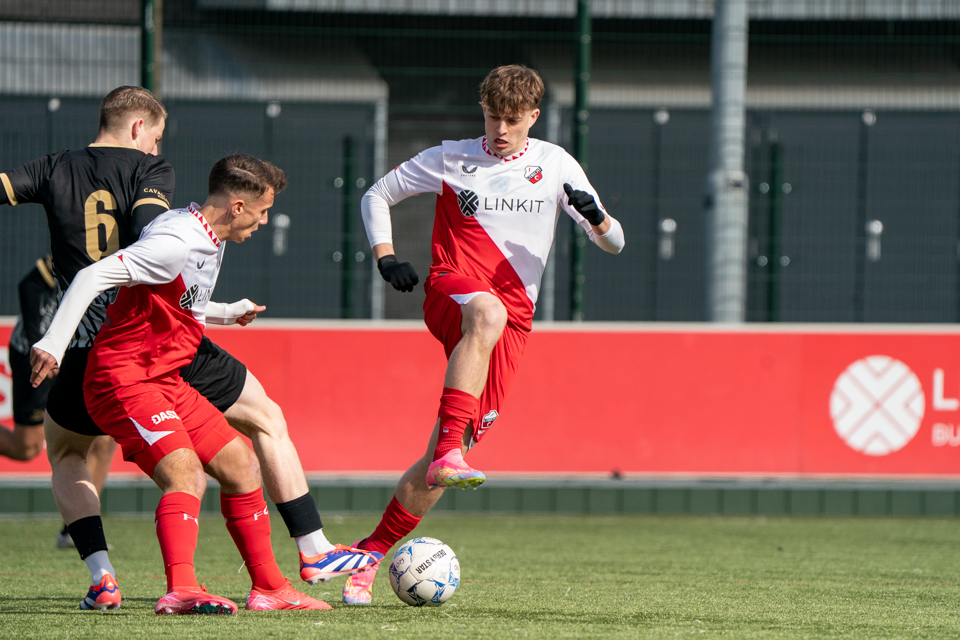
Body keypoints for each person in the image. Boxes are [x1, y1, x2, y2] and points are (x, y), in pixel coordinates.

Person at [1, 86, 376, 610]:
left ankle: (270, 589)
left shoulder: (207, 237)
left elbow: (179, 308)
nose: (265, 224)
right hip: (123, 376)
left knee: (242, 463)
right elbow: (91, 275)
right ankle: (181, 588)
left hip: (165, 376)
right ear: (239, 204)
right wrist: (54, 343)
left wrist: (226, 312)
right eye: (263, 213)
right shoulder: (175, 239)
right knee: (185, 472)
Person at [342, 64, 625, 604]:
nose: (500, 129)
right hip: (454, 289)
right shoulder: (452, 155)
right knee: (486, 316)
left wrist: (599, 221)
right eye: (493, 117)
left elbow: (615, 244)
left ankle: (368, 555)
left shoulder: (556, 164)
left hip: (514, 319)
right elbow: (376, 194)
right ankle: (452, 447)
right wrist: (386, 257)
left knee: (440, 466)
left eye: (512, 120)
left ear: (533, 118)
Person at [2, 256, 118, 548]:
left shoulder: (136, 249)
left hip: (79, 354)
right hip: (39, 351)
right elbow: (29, 285)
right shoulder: (75, 244)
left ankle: (76, 531)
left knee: (104, 439)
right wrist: (38, 344)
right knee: (26, 447)